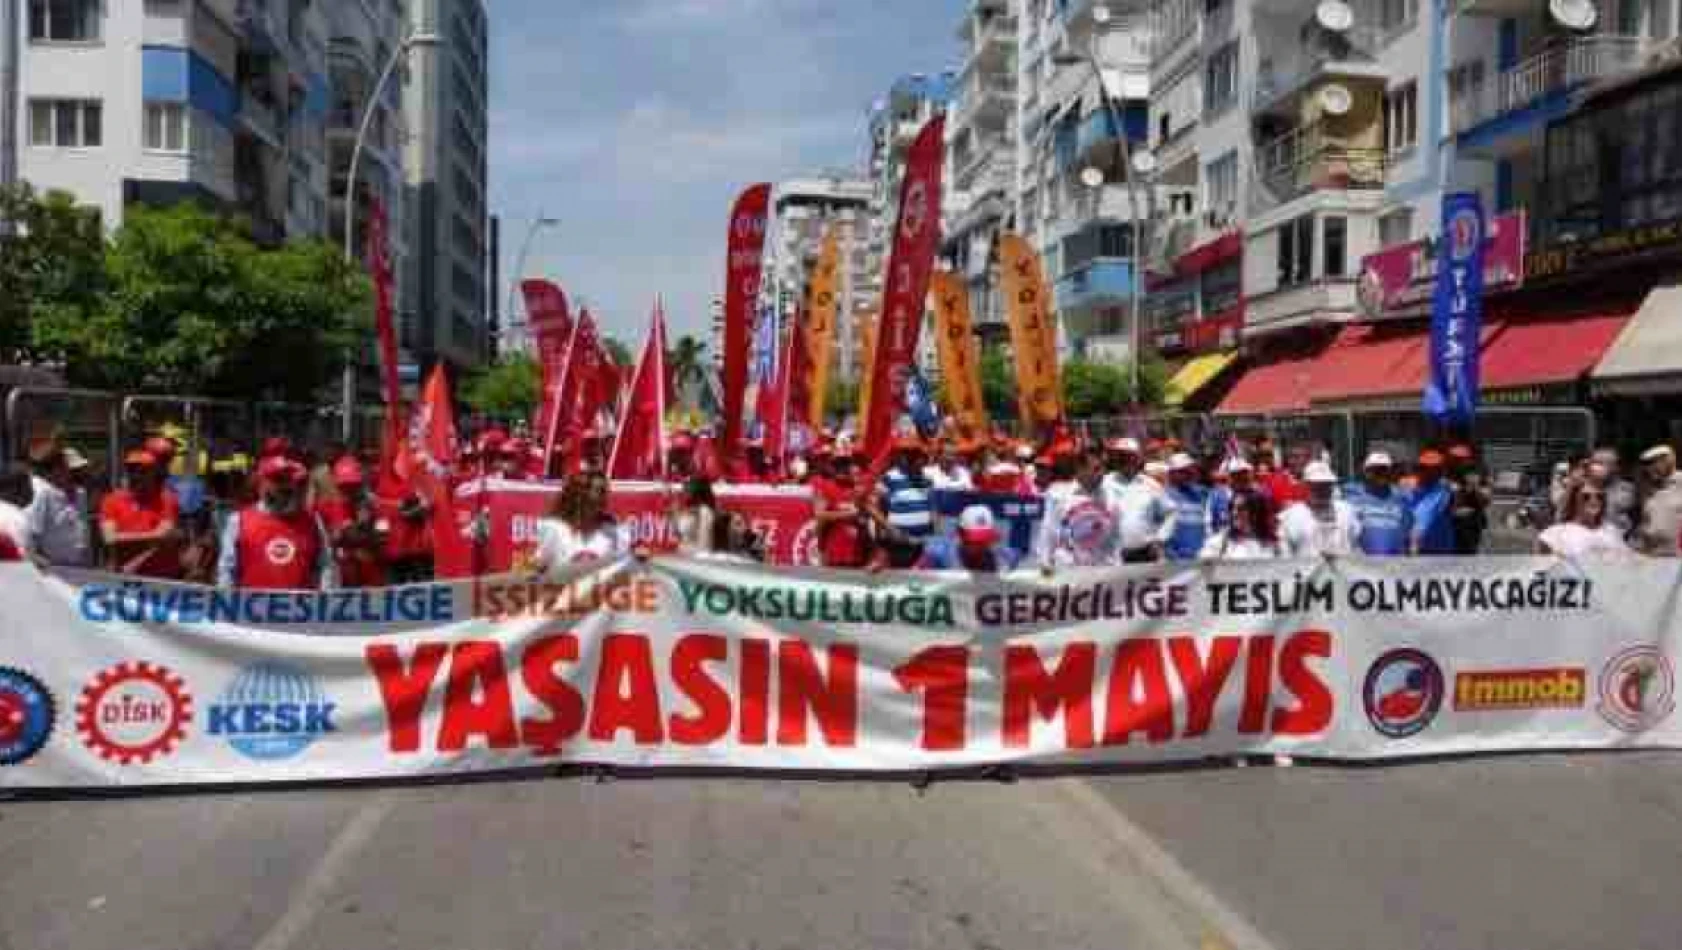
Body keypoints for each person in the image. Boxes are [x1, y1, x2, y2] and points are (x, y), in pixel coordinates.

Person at [217, 456, 337, 590]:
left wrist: (326, 602)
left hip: (301, 609)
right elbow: (227, 570)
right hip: (251, 608)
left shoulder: (313, 521)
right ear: (262, 484)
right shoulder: (238, 520)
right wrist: (227, 603)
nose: (285, 486)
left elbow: (326, 567)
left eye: (290, 480)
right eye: (278, 480)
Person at [100, 449, 184, 579]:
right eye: (131, 470)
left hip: (162, 578)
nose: (136, 475)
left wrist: (123, 538)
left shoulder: (167, 499)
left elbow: (163, 534)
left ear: (153, 473)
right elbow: (109, 538)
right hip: (124, 576)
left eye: (142, 471)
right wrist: (153, 536)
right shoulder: (111, 500)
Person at [1035, 447, 1123, 570]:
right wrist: (1044, 564)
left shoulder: (1112, 498)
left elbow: (1115, 539)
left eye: (1104, 468)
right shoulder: (1058, 495)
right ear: (1080, 469)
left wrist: (1118, 569)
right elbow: (1048, 534)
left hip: (1101, 572)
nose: (1102, 473)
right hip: (1067, 571)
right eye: (1096, 469)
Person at [531, 473, 632, 573]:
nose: (604, 496)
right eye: (598, 490)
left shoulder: (615, 531)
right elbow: (539, 570)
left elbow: (623, 571)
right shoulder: (554, 528)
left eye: (605, 491)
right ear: (578, 495)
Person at [314, 457, 387, 588]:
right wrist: (349, 532)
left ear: (361, 484)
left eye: (354, 485)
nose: (349, 491)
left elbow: (383, 537)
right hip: (340, 579)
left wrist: (366, 526)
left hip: (372, 577)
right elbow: (329, 540)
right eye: (344, 486)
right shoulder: (325, 509)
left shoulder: (377, 507)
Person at [23, 437, 90, 567]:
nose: (77, 474)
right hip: (54, 568)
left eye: (80, 470)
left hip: (79, 565)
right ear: (57, 470)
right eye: (72, 470)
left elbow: (82, 529)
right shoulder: (44, 493)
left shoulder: (82, 494)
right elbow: (33, 534)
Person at [1278, 461, 1360, 558]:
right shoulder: (1291, 515)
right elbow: (1285, 556)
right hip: (1306, 571)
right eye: (1316, 485)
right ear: (1306, 485)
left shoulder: (1347, 511)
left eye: (1327, 484)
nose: (1322, 490)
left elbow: (1355, 546)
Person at [1537, 481, 1633, 558]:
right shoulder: (1554, 534)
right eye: (1586, 497)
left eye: (1599, 497)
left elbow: (1628, 560)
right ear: (1574, 500)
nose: (1594, 500)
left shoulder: (1611, 530)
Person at [918, 504, 1022, 572]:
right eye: (975, 541)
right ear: (960, 534)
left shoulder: (1005, 556)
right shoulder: (938, 554)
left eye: (985, 540)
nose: (981, 546)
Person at [1347, 452, 1413, 556]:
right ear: (1366, 472)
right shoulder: (1351, 496)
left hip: (1397, 565)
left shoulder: (1402, 497)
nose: (1381, 474)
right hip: (1363, 565)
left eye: (1384, 470)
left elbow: (1409, 531)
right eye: (1376, 470)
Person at [877, 435, 937, 547]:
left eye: (916, 455)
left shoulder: (927, 479)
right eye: (907, 454)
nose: (912, 458)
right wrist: (889, 529)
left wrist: (934, 535)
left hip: (923, 540)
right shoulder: (889, 477)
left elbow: (933, 508)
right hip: (898, 540)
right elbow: (877, 507)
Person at [1200, 490, 1280, 560]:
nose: (1234, 513)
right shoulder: (1218, 543)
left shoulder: (1272, 544)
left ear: (1255, 512)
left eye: (1241, 509)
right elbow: (1203, 571)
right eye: (1232, 508)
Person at [1160, 453, 1211, 562]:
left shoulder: (1203, 493)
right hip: (1174, 561)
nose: (1190, 474)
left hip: (1201, 558)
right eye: (1183, 471)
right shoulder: (1162, 495)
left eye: (1191, 470)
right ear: (1171, 473)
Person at [1446, 445, 1492, 555]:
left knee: (1473, 549)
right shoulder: (1453, 473)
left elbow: (1486, 498)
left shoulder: (1481, 470)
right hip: (1459, 520)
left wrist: (1476, 488)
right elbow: (1452, 495)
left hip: (1476, 519)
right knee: (1460, 549)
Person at [1409, 450, 1456, 555]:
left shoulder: (1446, 490)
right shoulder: (1409, 489)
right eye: (1424, 468)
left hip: (1439, 549)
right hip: (1415, 547)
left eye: (1435, 469)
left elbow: (1454, 505)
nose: (1430, 472)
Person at [1637, 445, 1682, 556]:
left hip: (1676, 555)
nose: (1649, 468)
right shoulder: (1648, 489)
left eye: (1654, 463)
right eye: (1647, 464)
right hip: (1653, 555)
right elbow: (1646, 522)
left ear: (1669, 460)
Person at [1589, 446, 1639, 535]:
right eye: (1594, 463)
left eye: (1601, 463)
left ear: (1615, 467)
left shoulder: (1628, 489)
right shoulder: (1584, 488)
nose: (1595, 467)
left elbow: (1637, 519)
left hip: (1620, 541)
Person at [674, 475, 721, 554]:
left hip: (695, 559)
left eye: (686, 490)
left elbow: (704, 544)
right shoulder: (690, 510)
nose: (684, 493)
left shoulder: (705, 512)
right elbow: (681, 536)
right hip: (683, 555)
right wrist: (675, 516)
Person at [0, 462, 34, 559]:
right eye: (29, 486)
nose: (32, 492)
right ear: (16, 489)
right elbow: (22, 557)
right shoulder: (16, 517)